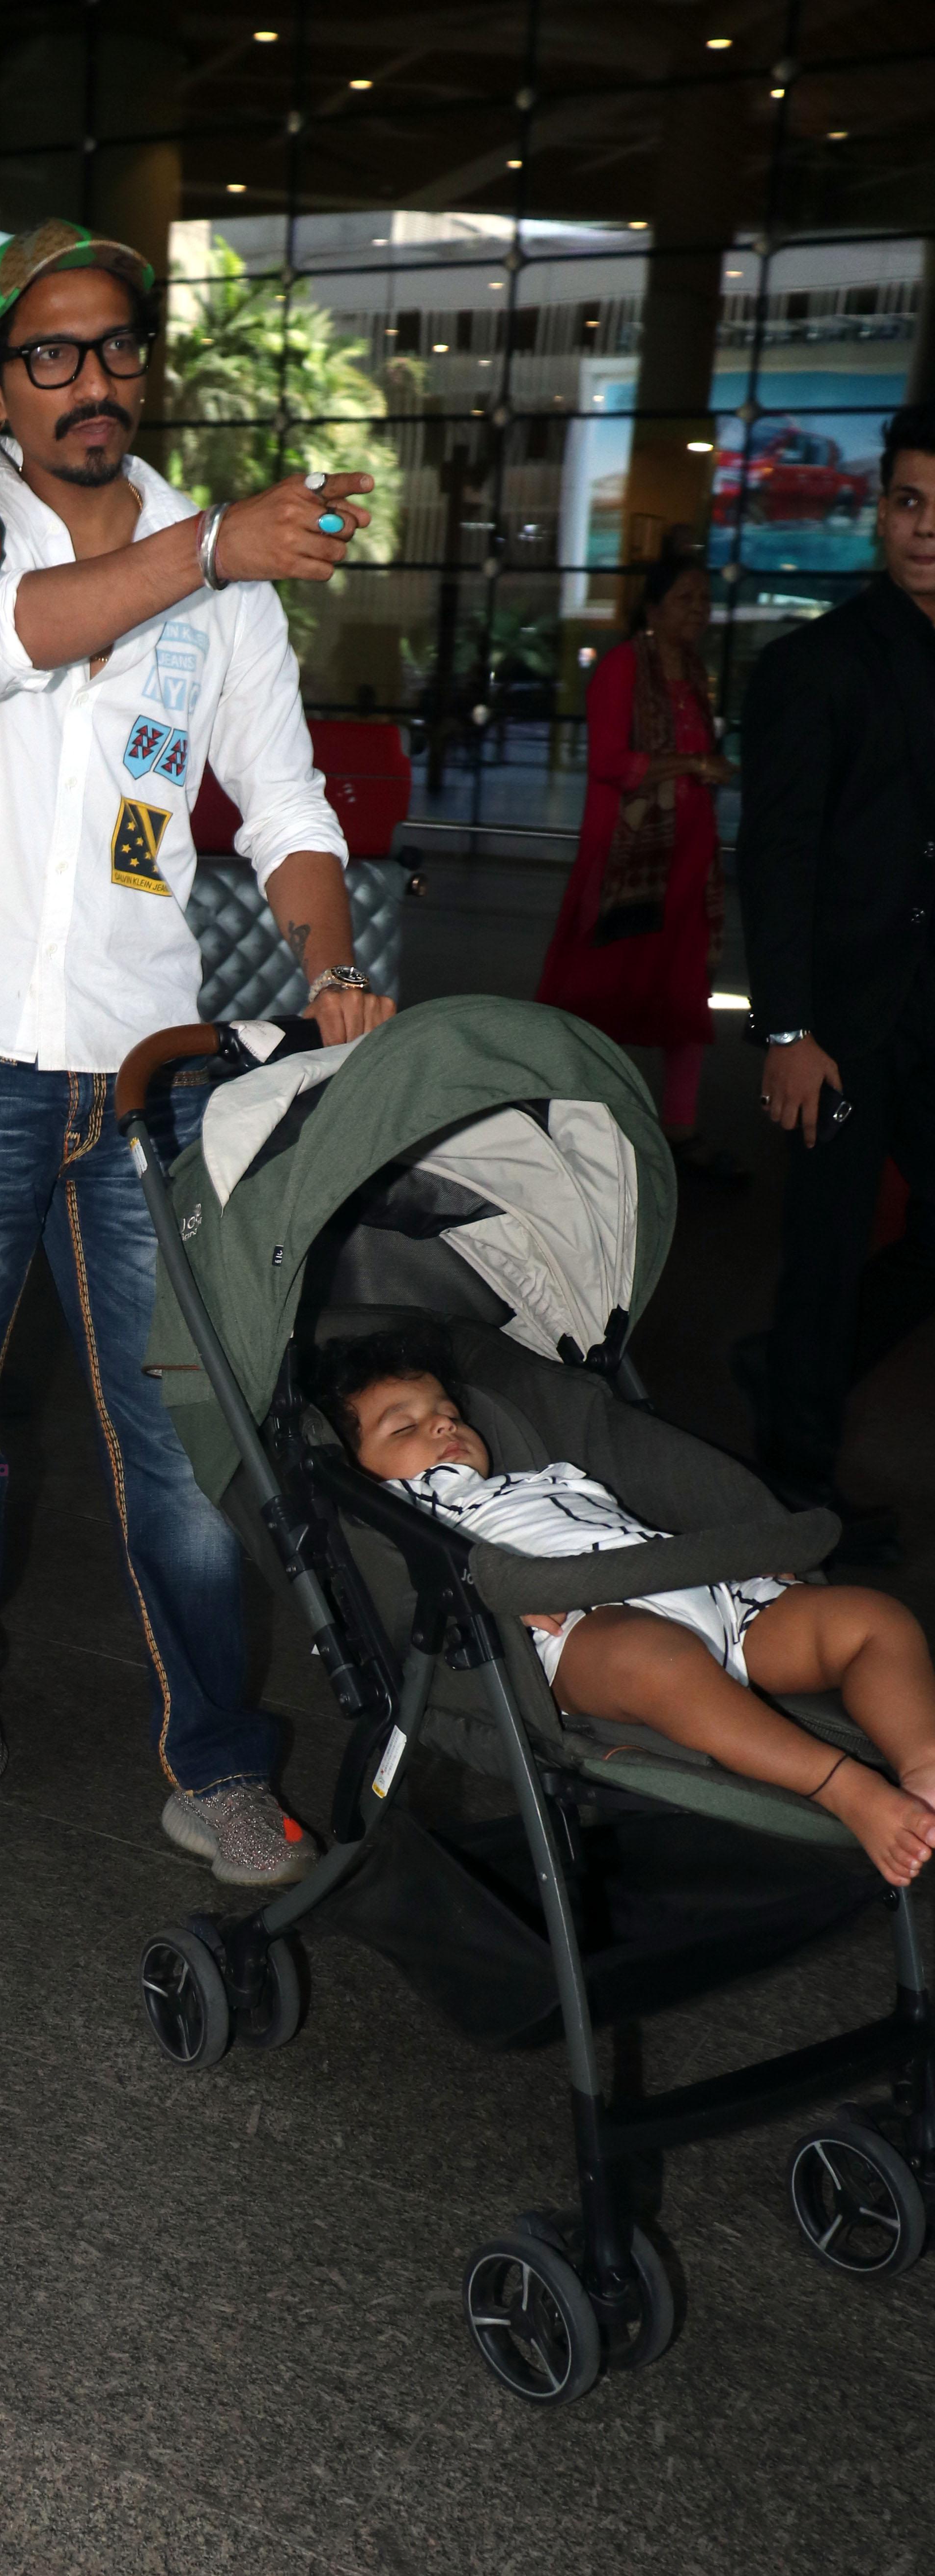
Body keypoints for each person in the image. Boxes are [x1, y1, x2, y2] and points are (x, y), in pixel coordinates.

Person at [0, 217, 396, 1890]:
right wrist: (220, 548)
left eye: (117, 350)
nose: (93, 383)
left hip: (148, 1072)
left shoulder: (210, 565)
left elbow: (287, 800)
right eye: (52, 355)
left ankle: (219, 1763)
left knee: (179, 1439)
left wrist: (331, 967)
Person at [322, 1329, 935, 1887]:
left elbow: (644, 1516)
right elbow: (395, 1584)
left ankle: (924, 1768)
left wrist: (746, 1546)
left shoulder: (547, 1478)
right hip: (587, 1630)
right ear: (359, 1475)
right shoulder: (406, 1514)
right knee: (658, 1661)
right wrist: (480, 1593)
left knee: (872, 1621)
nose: (440, 1427)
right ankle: (842, 1787)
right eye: (404, 1429)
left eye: (449, 1414)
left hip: (708, 1593)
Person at [736, 399, 935, 1553]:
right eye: (906, 503)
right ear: (880, 511)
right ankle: (795, 1501)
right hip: (839, 1023)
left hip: (930, 1017)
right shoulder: (811, 669)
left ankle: (785, 1371)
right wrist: (786, 1029)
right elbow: (778, 857)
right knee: (823, 1252)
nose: (921, 529)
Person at [536, 549, 740, 1182]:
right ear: (651, 609)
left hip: (688, 858)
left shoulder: (692, 671)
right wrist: (692, 766)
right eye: (685, 598)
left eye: (704, 599)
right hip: (629, 865)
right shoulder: (624, 667)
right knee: (605, 987)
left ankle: (679, 1126)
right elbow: (610, 763)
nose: (699, 610)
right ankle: (574, 1120)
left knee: (683, 989)